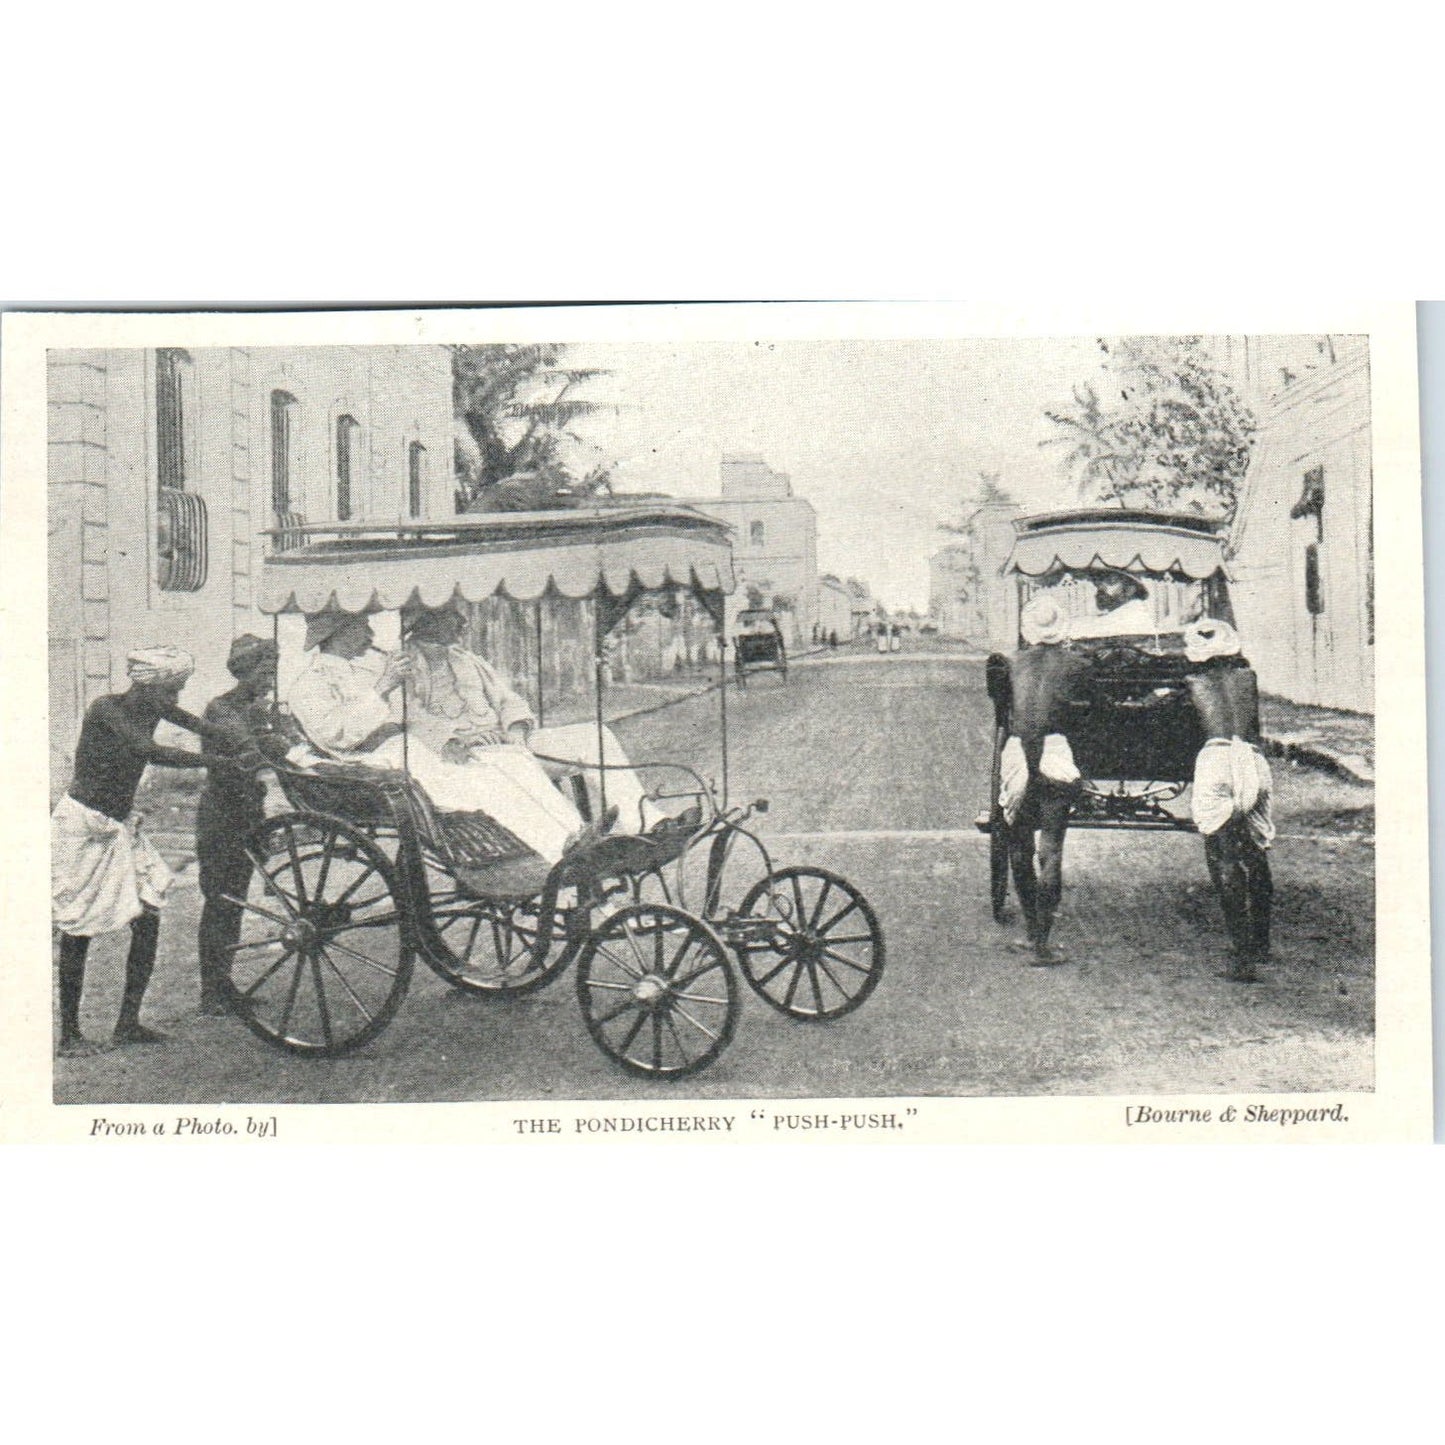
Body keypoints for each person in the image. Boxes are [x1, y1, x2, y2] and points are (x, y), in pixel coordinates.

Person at [286, 609, 591, 864]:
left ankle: (577, 832)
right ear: (338, 633)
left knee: (512, 761)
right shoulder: (309, 685)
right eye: (362, 625)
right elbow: (338, 735)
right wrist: (383, 688)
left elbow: (412, 714)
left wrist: (446, 740)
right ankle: (559, 849)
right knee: (487, 784)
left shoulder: (365, 669)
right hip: (379, 760)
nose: (370, 633)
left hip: (411, 748)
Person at [51, 646, 225, 1053]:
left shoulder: (154, 705)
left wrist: (238, 738)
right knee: (78, 928)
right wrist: (216, 762)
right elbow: (148, 751)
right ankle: (70, 1035)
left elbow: (194, 723)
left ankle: (128, 1022)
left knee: (148, 915)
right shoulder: (106, 710)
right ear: (146, 686)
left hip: (121, 825)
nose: (175, 700)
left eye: (178, 690)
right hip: (84, 828)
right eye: (171, 691)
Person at [399, 603, 695, 837]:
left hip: (508, 743)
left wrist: (515, 729)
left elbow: (508, 699)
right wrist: (453, 740)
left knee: (594, 734)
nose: (462, 621)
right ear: (427, 620)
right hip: (467, 759)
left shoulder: (467, 659)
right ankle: (572, 837)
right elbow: (406, 716)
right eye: (451, 614)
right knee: (516, 764)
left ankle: (643, 822)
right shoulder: (404, 664)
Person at [997, 594, 1093, 965]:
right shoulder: (1076, 664)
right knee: (1050, 849)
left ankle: (1031, 934)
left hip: (1019, 753)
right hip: (1054, 753)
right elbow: (1092, 711)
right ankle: (1044, 944)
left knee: (1019, 846)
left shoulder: (1013, 664)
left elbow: (1006, 715)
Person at [1181, 619, 1274, 982]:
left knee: (1223, 857)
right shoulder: (1247, 678)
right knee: (1257, 851)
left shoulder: (1193, 683)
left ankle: (1242, 956)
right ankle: (1262, 943)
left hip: (1217, 760)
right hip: (1252, 761)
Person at [195, 635, 277, 1015]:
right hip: (222, 816)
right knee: (220, 902)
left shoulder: (257, 708)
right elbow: (247, 751)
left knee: (236, 901)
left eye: (272, 670)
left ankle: (224, 985)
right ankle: (212, 992)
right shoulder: (222, 708)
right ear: (245, 671)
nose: (270, 678)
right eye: (265, 671)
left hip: (247, 814)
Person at [1067, 571, 1157, 640]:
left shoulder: (1133, 615)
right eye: (1098, 583)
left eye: (1111, 582)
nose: (1100, 587)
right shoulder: (1117, 614)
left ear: (1130, 589)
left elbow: (1090, 630)